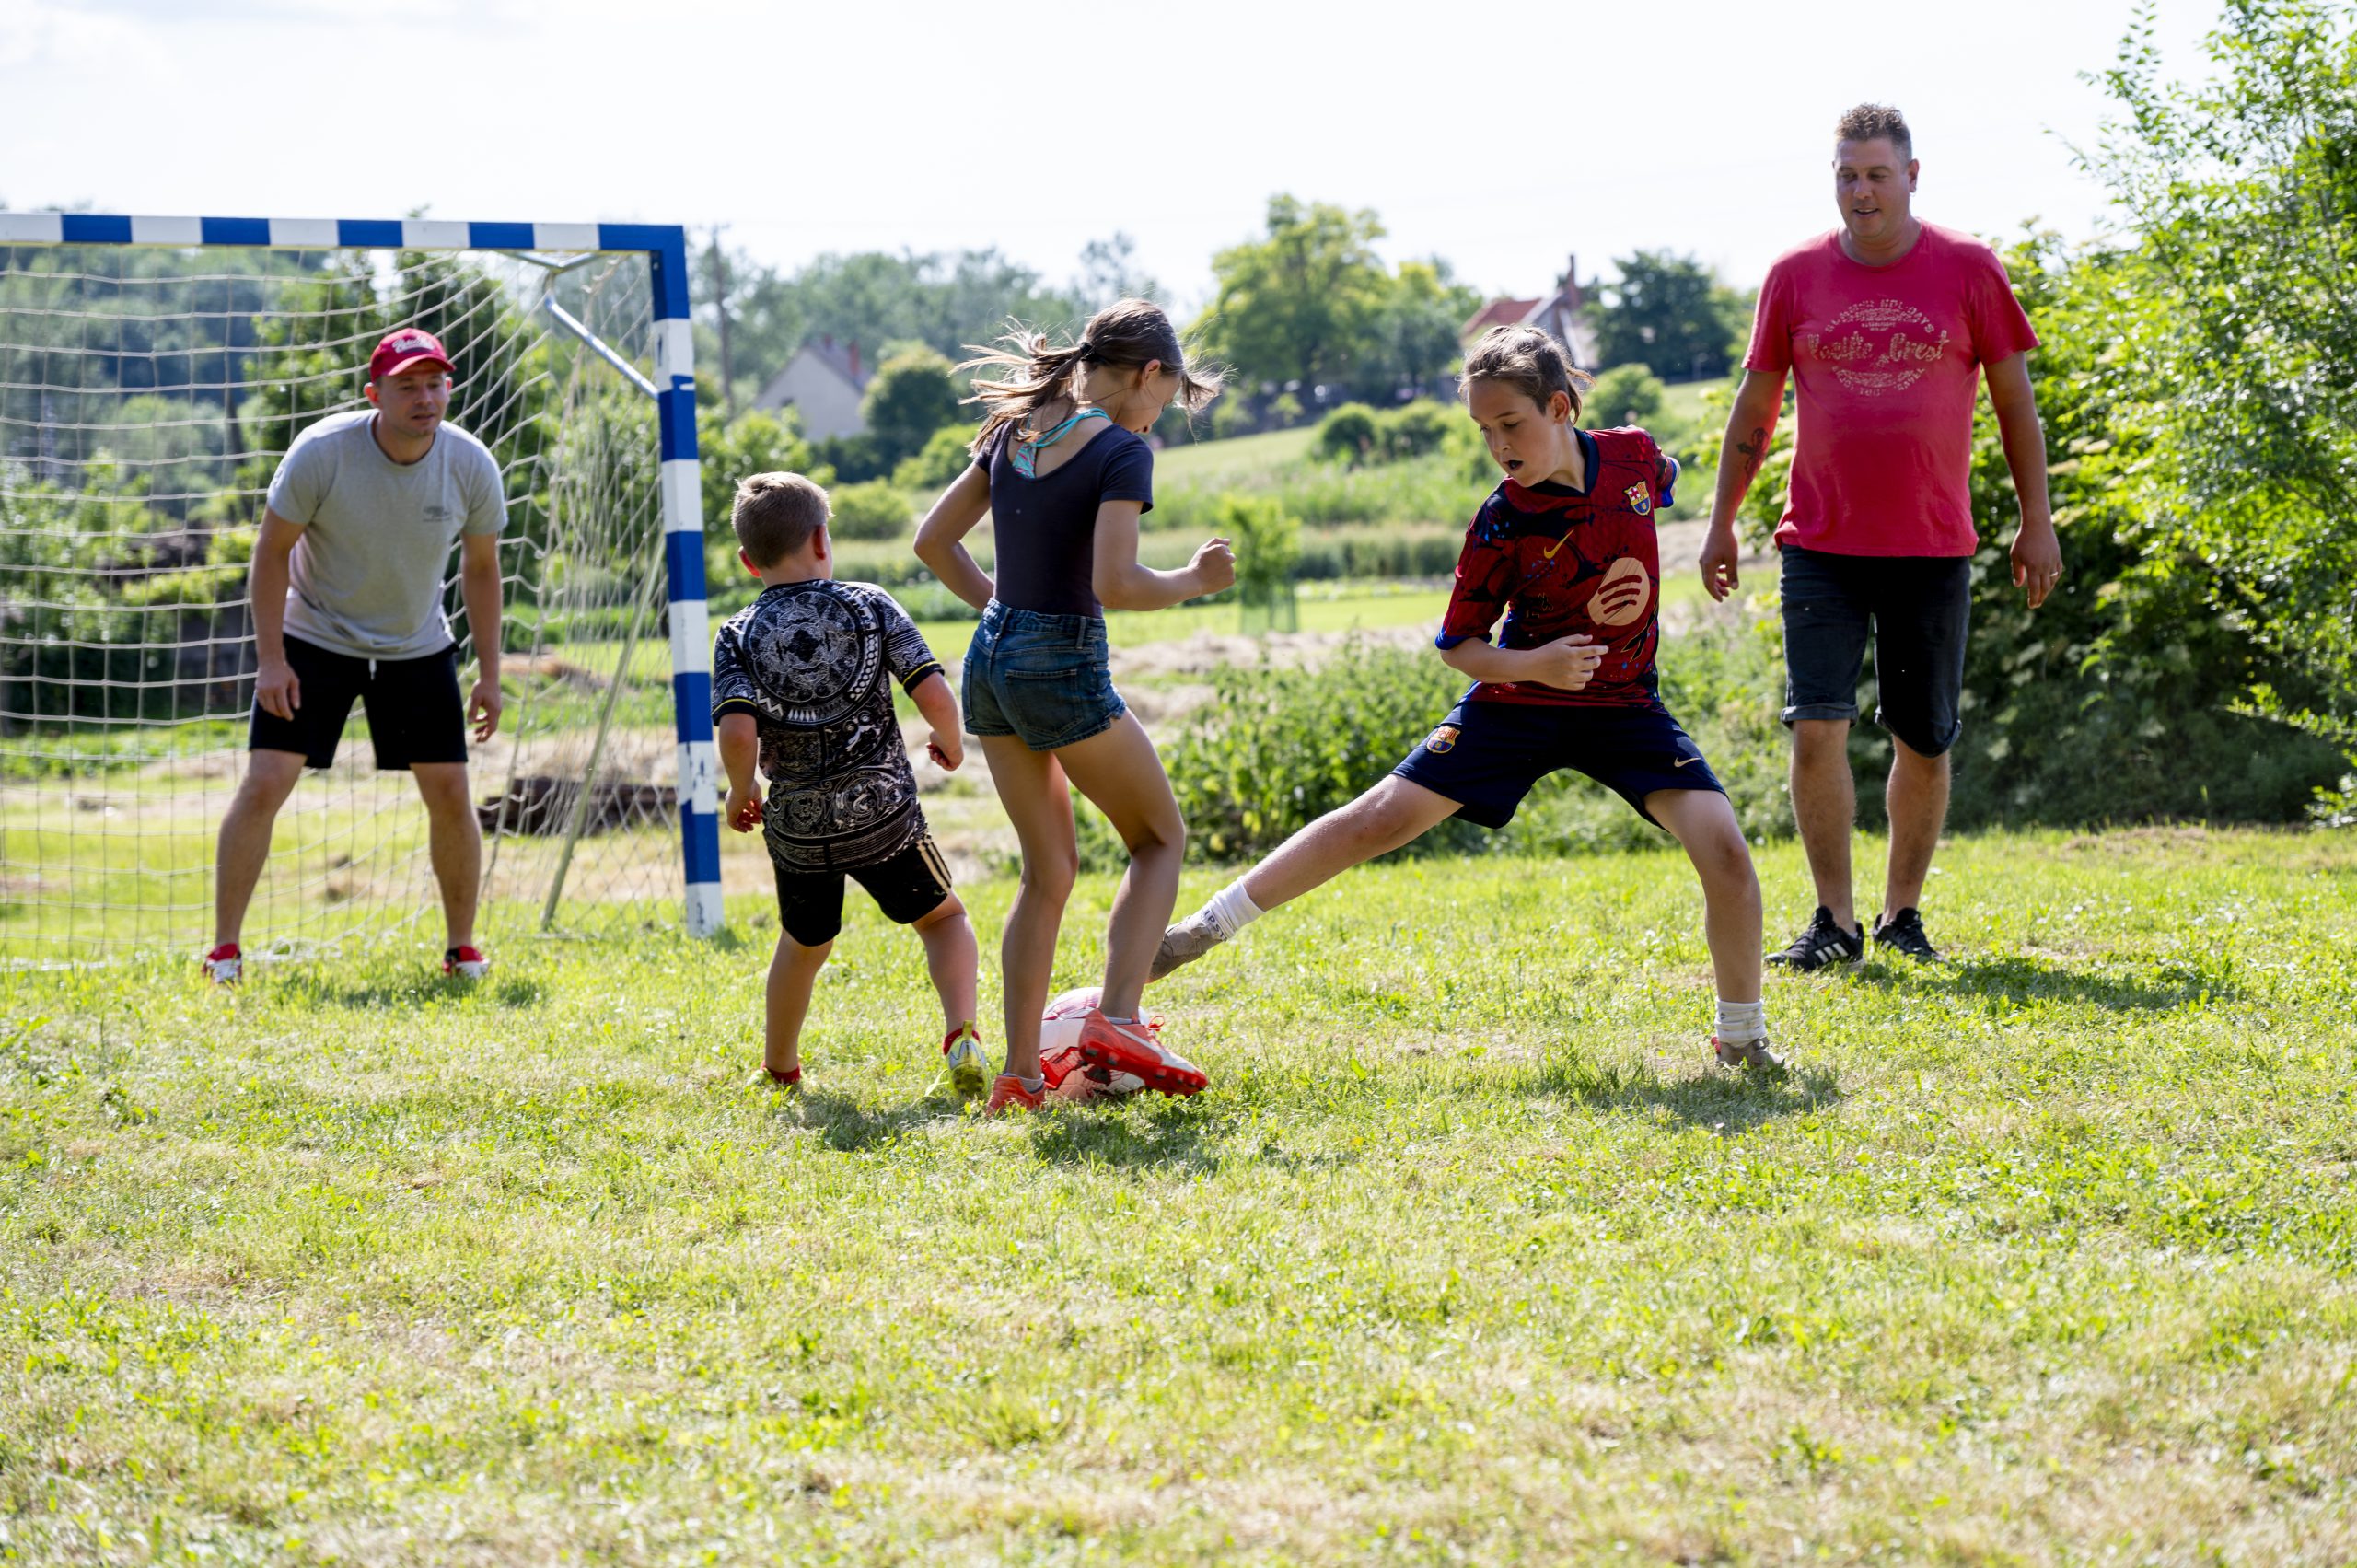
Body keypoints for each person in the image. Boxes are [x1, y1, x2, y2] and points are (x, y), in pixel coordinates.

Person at [1156, 325, 1784, 1072]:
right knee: (1379, 818)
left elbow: (1663, 477)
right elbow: (1459, 645)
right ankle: (1201, 928)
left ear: (1560, 407)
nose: (1498, 444)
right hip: (1518, 700)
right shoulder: (1500, 520)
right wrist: (1537, 664)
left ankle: (1742, 1037)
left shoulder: (1633, 456)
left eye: (1510, 423)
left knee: (1725, 848)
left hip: (1624, 707)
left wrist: (1717, 538)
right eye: (1484, 430)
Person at [1699, 102, 2059, 970]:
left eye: (1876, 174)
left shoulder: (1970, 268)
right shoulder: (1794, 276)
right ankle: (1835, 920)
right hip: (1819, 543)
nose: (1861, 191)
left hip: (1931, 546)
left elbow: (2015, 402)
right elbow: (1756, 407)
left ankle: (1902, 915)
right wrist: (1719, 521)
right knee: (1815, 725)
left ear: (1911, 176)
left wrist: (2036, 520)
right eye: (1847, 175)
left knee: (1923, 737)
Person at [913, 299, 1234, 1114]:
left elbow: (932, 542)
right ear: (1149, 373)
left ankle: (1021, 1076)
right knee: (1159, 839)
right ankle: (1118, 1019)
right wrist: (1196, 580)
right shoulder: (1122, 451)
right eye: (1165, 399)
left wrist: (1005, 613)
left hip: (989, 661)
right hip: (1059, 662)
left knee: (1046, 870)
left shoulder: (1012, 431)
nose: (1157, 417)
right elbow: (1115, 583)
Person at [203, 327, 506, 985]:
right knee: (266, 781)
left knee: (451, 790)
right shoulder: (322, 452)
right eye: (408, 386)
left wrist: (490, 674)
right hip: (315, 638)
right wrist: (271, 659)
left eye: (435, 384)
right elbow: (271, 551)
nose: (425, 398)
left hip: (416, 643)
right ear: (375, 395)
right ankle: (224, 951)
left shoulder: (471, 463)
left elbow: (482, 569)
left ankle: (462, 949)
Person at [713, 472, 988, 1096]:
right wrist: (949, 740)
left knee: (803, 943)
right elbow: (933, 691)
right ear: (821, 540)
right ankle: (962, 1035)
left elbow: (737, 732)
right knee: (943, 919)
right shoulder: (870, 603)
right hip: (884, 815)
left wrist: (740, 789)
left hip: (799, 830)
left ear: (748, 560)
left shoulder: (737, 633)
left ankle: (780, 1067)